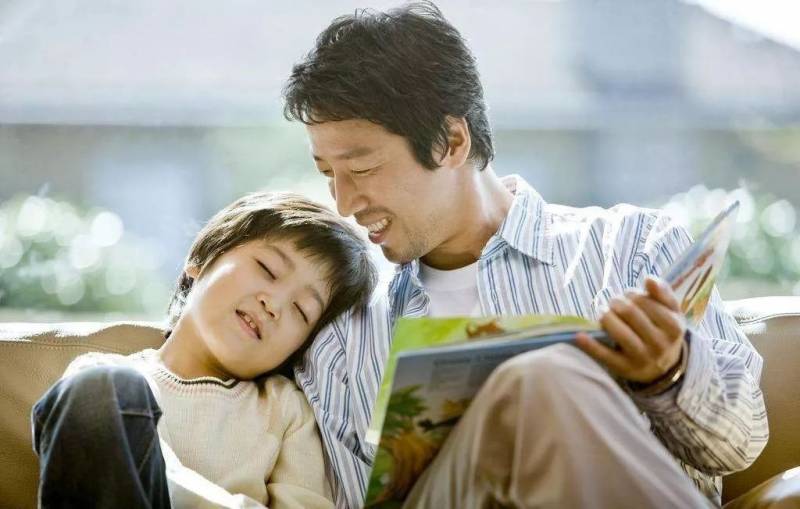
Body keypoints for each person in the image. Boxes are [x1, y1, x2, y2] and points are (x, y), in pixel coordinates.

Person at [283, 3, 769, 508]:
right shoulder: (343, 339)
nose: (344, 202)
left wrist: (669, 373)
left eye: (361, 168)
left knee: (543, 380)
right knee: (538, 379)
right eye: (328, 174)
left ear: (451, 142)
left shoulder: (634, 249)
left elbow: (744, 442)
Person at [31, 192, 377, 508]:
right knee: (102, 387)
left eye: (301, 311)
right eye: (267, 269)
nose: (273, 305)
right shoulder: (103, 381)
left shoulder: (287, 409)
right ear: (201, 259)